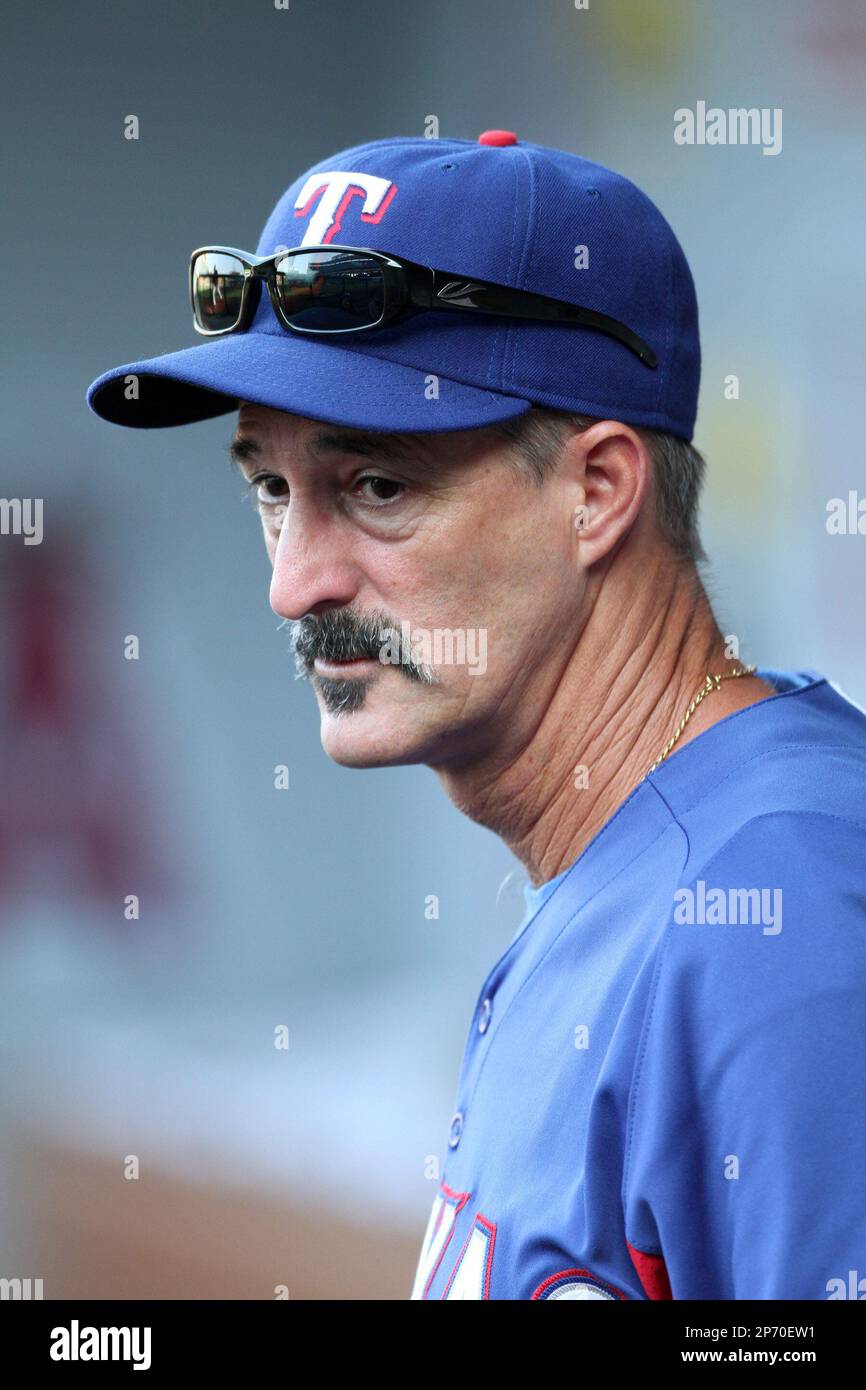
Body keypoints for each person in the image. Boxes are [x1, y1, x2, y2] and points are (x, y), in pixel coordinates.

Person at [87, 131, 866, 1301]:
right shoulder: (629, 862)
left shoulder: (779, 908)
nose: (293, 585)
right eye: (270, 489)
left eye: (377, 487)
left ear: (595, 491)